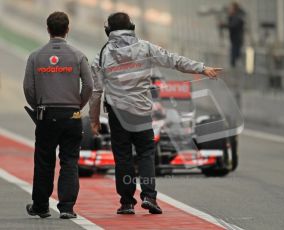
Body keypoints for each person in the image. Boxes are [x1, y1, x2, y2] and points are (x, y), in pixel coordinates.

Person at [89, 12, 222, 215]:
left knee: (123, 157)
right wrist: (202, 68)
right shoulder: (146, 48)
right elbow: (174, 60)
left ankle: (126, 203)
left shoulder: (101, 55)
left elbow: (96, 92)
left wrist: (94, 120)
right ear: (132, 27)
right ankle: (149, 196)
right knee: (146, 154)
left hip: (117, 113)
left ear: (108, 31)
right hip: (141, 112)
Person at [23, 11, 93, 219]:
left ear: (48, 29)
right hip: (72, 114)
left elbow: (28, 88)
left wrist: (38, 106)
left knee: (44, 160)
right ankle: (67, 207)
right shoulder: (78, 55)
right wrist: (77, 105)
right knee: (70, 160)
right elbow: (89, 85)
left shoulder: (35, 56)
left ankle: (41, 206)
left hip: (46, 114)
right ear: (67, 29)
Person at [221, 2, 245, 67]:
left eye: (230, 8)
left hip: (237, 40)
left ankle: (236, 68)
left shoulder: (238, 17)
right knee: (234, 56)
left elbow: (233, 25)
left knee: (235, 56)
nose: (229, 10)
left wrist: (223, 25)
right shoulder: (234, 16)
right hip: (234, 40)